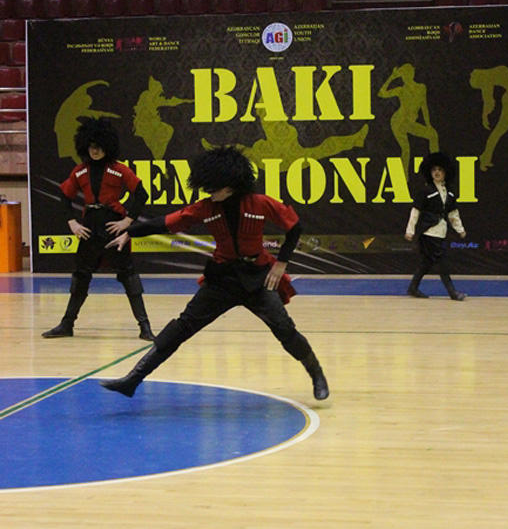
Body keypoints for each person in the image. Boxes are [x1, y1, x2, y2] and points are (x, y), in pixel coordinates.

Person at [100, 145, 329, 400]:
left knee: (284, 329)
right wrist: (129, 232)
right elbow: (166, 222)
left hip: (257, 278)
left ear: (230, 185)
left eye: (213, 188)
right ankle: (132, 380)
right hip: (222, 278)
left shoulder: (260, 203)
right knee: (181, 327)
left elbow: (294, 227)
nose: (208, 192)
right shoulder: (206, 207)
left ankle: (316, 374)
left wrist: (281, 263)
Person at [41, 118, 155, 340]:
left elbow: (141, 194)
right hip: (90, 227)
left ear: (107, 146)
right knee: (80, 276)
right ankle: (67, 324)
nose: (95, 151)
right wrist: (72, 222)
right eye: (91, 146)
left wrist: (127, 221)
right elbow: (64, 196)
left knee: (129, 276)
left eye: (99, 147)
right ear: (85, 146)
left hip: (113, 227)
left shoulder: (120, 170)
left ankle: (145, 327)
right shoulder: (79, 172)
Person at [404, 152, 467, 301]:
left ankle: (413, 288)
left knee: (426, 263)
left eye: (440, 169)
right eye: (434, 170)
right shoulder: (425, 191)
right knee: (442, 262)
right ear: (429, 173)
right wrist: (410, 231)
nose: (437, 172)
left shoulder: (450, 193)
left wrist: (460, 229)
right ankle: (453, 293)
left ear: (445, 172)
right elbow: (415, 212)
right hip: (428, 233)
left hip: (441, 232)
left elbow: (453, 214)